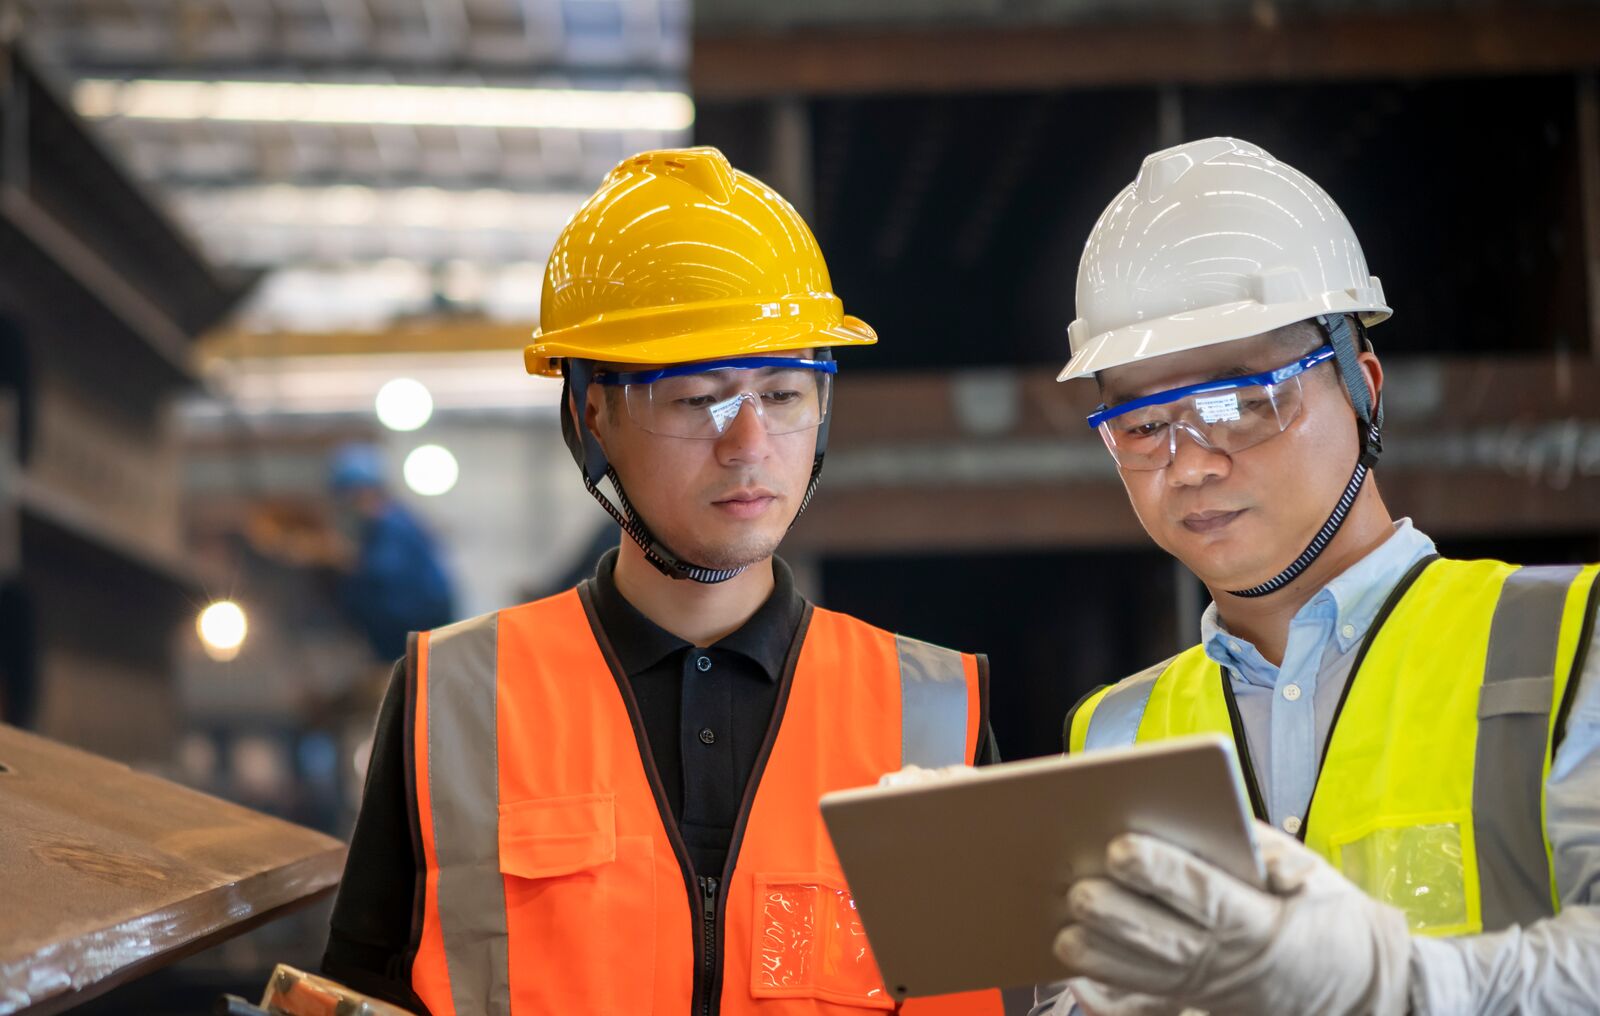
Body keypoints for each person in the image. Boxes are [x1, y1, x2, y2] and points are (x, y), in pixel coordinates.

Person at [320, 147, 1010, 1015]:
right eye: (698, 398)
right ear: (592, 414)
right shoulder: (452, 698)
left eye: (786, 393)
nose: (750, 443)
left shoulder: (935, 708)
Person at [1031, 137, 1600, 1015]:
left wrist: (1392, 987)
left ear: (1363, 387)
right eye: (1143, 425)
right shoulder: (1117, 731)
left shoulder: (1568, 638)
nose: (1188, 465)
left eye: (1240, 401)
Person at [327, 442, 457, 661]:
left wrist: (347, 569)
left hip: (411, 632)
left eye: (349, 497)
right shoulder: (389, 525)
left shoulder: (392, 528)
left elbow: (385, 582)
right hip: (414, 635)